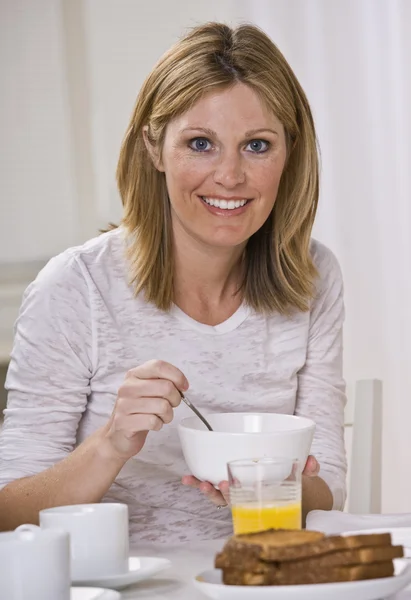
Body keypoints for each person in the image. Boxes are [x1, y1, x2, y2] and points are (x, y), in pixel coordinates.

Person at [0, 22, 347, 544]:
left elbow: (330, 490)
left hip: (261, 578)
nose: (230, 176)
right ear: (155, 148)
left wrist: (273, 487)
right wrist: (112, 444)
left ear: (289, 153)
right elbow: (9, 512)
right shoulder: (77, 287)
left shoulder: (314, 278)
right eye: (201, 143)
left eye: (257, 145)